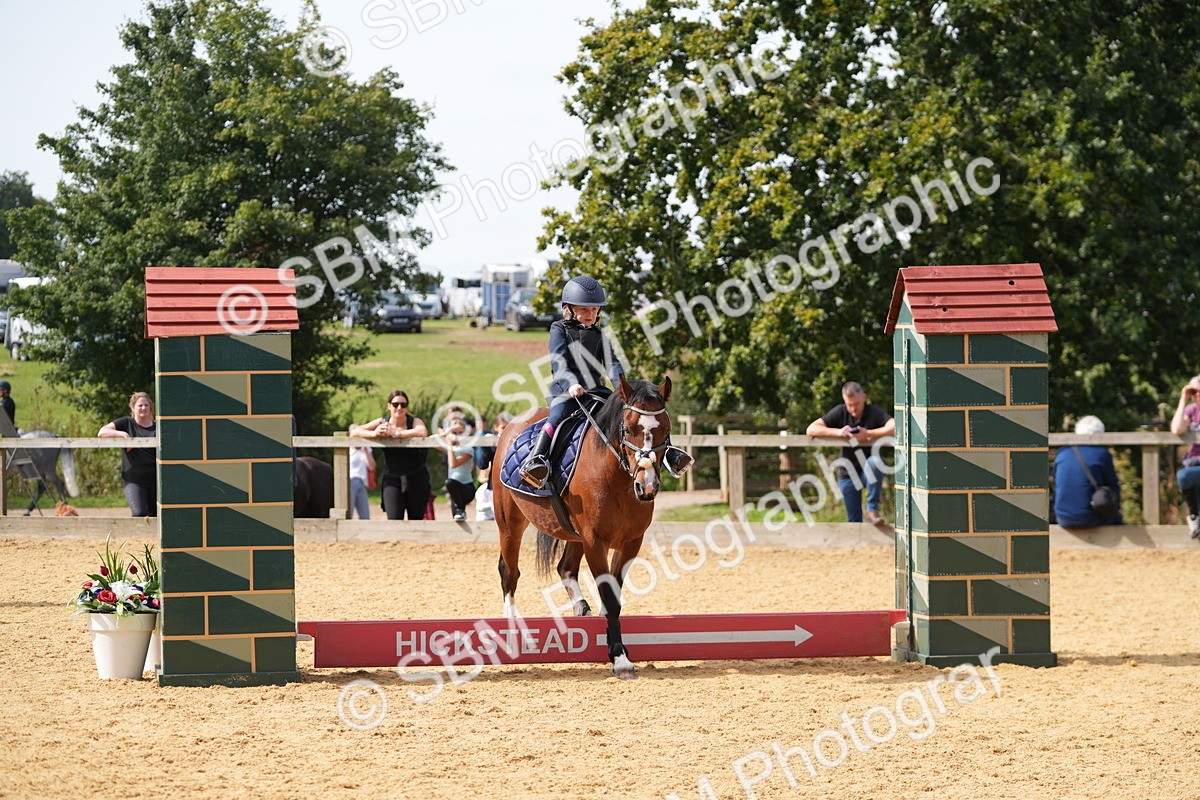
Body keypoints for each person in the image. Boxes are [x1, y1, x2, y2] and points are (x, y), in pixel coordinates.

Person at [519, 275, 626, 489]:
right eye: (585, 310)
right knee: (557, 416)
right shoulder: (559, 329)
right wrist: (570, 384)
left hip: (596, 390)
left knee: (626, 419)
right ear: (569, 308)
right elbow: (559, 361)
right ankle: (536, 460)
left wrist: (624, 389)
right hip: (565, 389)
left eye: (595, 310)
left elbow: (613, 364)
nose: (591, 315)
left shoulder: (600, 334)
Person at [806, 381, 895, 524]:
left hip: (868, 471)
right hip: (848, 473)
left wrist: (868, 434)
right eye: (849, 405)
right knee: (854, 522)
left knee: (875, 462)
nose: (853, 409)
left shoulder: (874, 412)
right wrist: (838, 432)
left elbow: (894, 426)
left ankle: (872, 510)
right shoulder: (840, 412)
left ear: (864, 397)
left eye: (856, 404)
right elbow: (811, 429)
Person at [351, 390, 430, 520]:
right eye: (395, 404)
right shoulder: (383, 422)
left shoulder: (414, 421)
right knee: (393, 518)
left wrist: (397, 433)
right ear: (389, 406)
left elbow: (422, 431)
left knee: (416, 519)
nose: (399, 408)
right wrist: (374, 434)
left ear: (407, 407)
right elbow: (355, 431)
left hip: (417, 476)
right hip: (392, 477)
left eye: (403, 405)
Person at [1052, 415, 1123, 528]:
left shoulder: (1062, 452)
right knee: (1116, 517)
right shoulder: (1102, 453)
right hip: (1091, 518)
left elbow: (1057, 484)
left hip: (1063, 517)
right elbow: (1113, 486)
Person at [98, 392, 157, 517]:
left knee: (157, 516)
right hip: (134, 480)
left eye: (146, 405)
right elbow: (102, 432)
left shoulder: (158, 427)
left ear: (150, 408)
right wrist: (123, 435)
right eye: (140, 405)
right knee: (139, 513)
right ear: (133, 408)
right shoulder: (126, 423)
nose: (143, 408)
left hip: (156, 480)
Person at [1170, 374, 1200, 539]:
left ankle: (1196, 518)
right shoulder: (1192, 410)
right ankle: (1195, 517)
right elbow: (1176, 429)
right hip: (1194, 464)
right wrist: (1183, 398)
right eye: (1194, 392)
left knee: (1187, 475)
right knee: (1185, 476)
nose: (1197, 395)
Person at [438, 413, 475, 521]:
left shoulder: (468, 449)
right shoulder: (450, 447)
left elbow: (453, 464)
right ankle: (460, 511)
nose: (457, 435)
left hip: (466, 489)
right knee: (456, 517)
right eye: (455, 432)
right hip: (454, 491)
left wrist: (449, 445)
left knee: (449, 482)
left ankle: (461, 509)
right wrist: (446, 432)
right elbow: (432, 440)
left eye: (460, 432)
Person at [474, 411, 513, 486]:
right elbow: (482, 465)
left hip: (510, 484)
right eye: (503, 428)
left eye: (509, 427)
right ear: (496, 427)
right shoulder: (492, 442)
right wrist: (485, 447)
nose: (506, 431)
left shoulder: (516, 441)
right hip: (495, 485)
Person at [348, 428, 372, 520]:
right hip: (351, 482)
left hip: (362, 483)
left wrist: (365, 451)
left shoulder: (366, 449)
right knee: (348, 514)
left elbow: (372, 467)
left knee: (365, 516)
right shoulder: (348, 450)